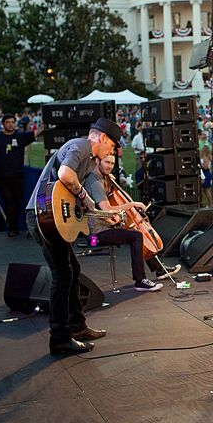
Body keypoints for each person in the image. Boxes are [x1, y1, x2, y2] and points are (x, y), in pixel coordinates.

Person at [25, 118, 121, 355]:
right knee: (63, 273)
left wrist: (102, 214)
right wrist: (86, 200)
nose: (113, 151)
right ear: (102, 138)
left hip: (52, 216)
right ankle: (59, 338)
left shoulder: (90, 162)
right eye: (113, 146)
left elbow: (83, 196)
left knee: (72, 270)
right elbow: (65, 174)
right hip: (42, 217)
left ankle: (77, 327)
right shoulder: (80, 146)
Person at [84, 154, 163, 292]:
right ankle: (140, 280)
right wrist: (132, 204)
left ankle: (159, 269)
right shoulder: (94, 181)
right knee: (136, 236)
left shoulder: (102, 179)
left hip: (106, 226)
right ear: (97, 161)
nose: (110, 166)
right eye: (107, 162)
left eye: (112, 163)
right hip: (95, 236)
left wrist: (109, 184)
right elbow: (107, 209)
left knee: (136, 233)